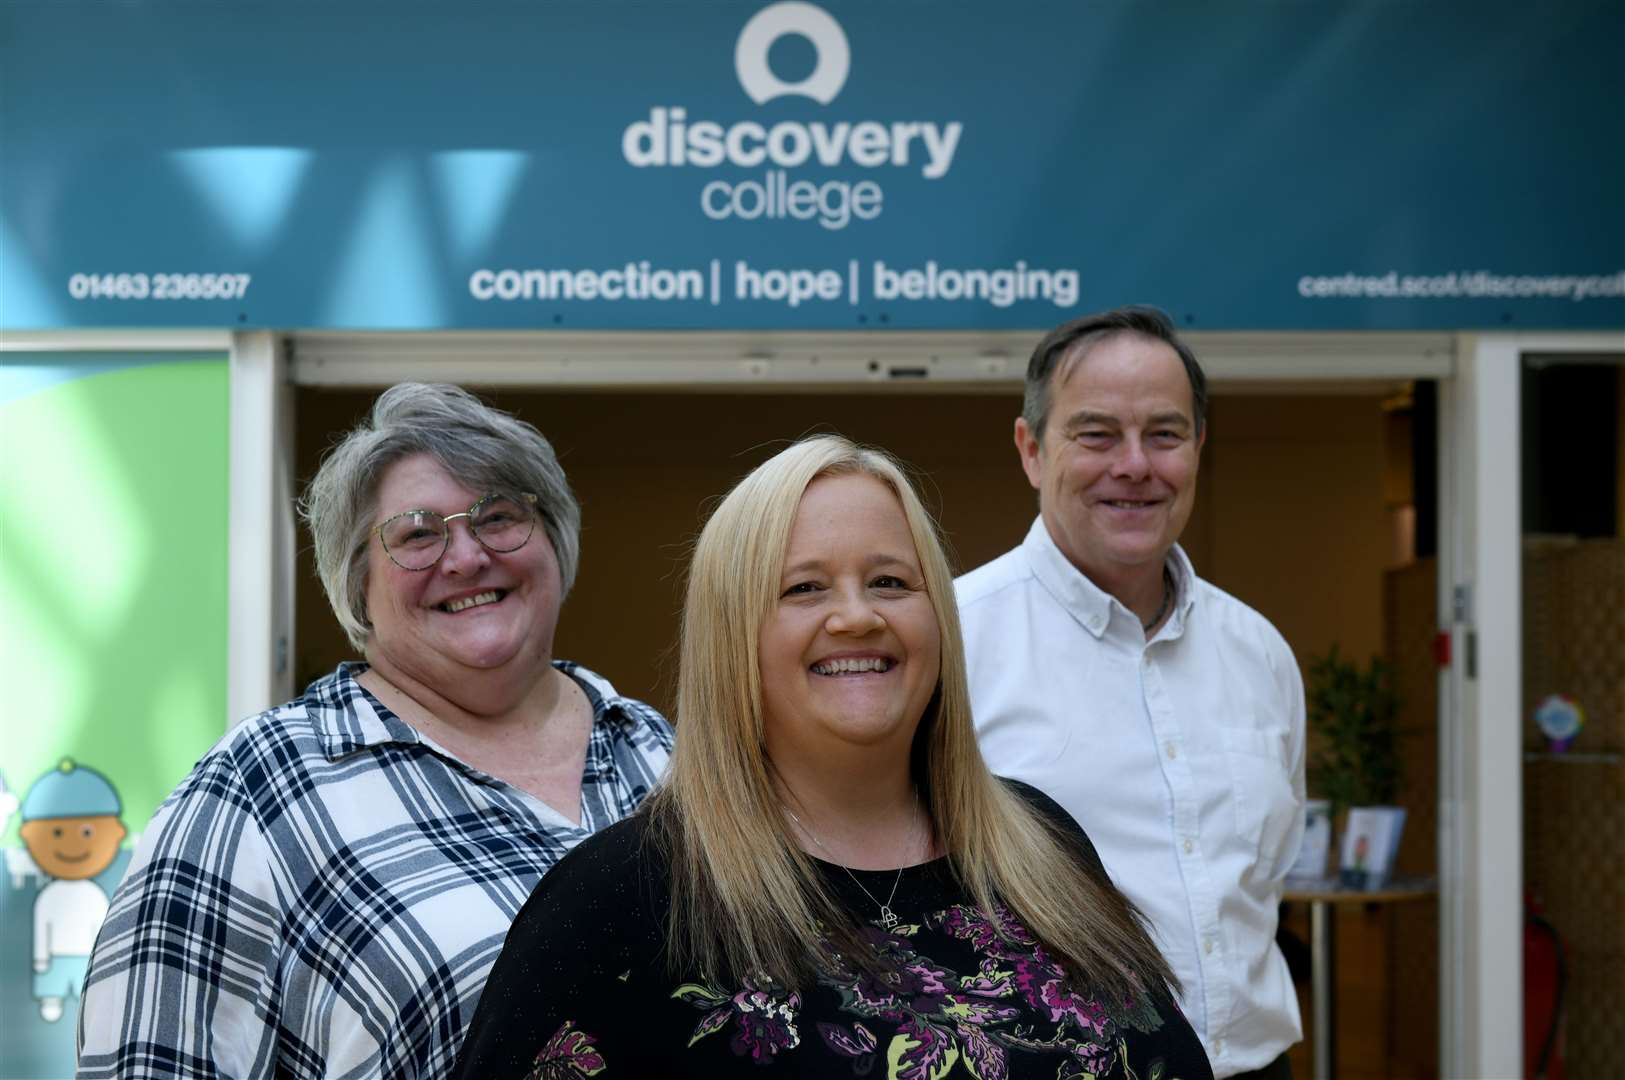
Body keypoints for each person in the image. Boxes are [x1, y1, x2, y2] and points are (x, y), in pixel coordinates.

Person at [453, 435, 1213, 1079]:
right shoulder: (626, 899)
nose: (856, 616)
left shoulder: (1041, 843)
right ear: (733, 638)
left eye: (889, 581)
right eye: (804, 588)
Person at [78, 383, 673, 1079]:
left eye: (499, 517)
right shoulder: (261, 785)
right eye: (418, 534)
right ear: (357, 584)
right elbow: (145, 1064)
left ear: (555, 539)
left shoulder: (670, 754)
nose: (466, 557)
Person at [955, 307, 1306, 1080]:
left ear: (1197, 448)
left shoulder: (1259, 653)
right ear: (1031, 450)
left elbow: (1266, 876)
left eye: (1164, 434)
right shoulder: (950, 646)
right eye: (1096, 434)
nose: (1134, 465)